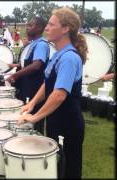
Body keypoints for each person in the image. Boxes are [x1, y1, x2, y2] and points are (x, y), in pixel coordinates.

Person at [17, 7, 87, 178]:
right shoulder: (58, 54)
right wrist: (32, 103)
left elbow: (59, 94)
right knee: (56, 166)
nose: (46, 28)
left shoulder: (69, 58)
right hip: (56, 119)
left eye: (51, 24)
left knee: (68, 169)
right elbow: (47, 83)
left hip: (68, 123)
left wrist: (35, 117)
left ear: (65, 29)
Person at [6, 16, 49, 134]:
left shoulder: (41, 44)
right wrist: (17, 68)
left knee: (34, 122)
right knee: (26, 118)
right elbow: (27, 65)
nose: (27, 28)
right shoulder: (33, 44)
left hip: (35, 89)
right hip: (28, 88)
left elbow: (36, 66)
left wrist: (16, 75)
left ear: (39, 28)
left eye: (30, 25)